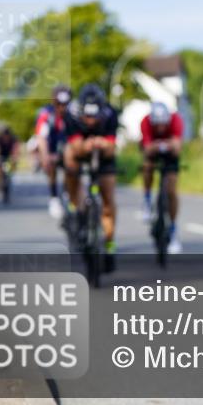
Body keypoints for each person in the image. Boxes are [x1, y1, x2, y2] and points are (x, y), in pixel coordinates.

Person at [63, 84, 119, 272]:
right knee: (69, 159)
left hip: (103, 155)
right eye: (87, 116)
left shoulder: (110, 113)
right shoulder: (71, 114)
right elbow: (76, 146)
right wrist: (86, 145)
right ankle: (75, 209)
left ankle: (110, 245)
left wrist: (102, 144)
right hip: (80, 151)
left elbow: (111, 148)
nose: (91, 121)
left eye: (95, 116)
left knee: (108, 199)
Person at [140, 101, 185, 254]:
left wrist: (163, 145)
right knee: (147, 166)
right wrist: (164, 144)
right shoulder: (145, 122)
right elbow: (147, 149)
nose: (160, 128)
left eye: (163, 124)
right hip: (153, 153)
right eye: (157, 125)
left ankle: (173, 229)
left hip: (170, 156)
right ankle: (147, 199)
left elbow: (177, 148)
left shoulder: (176, 120)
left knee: (171, 190)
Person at [37, 84, 72, 219]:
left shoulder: (73, 113)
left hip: (67, 148)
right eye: (59, 104)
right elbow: (41, 137)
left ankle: (68, 193)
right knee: (51, 166)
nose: (62, 108)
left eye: (65, 104)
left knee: (72, 167)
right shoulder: (47, 114)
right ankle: (54, 198)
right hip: (51, 148)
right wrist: (45, 156)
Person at [0, 123, 20, 199]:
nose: (6, 137)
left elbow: (16, 148)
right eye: (4, 135)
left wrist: (14, 157)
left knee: (10, 168)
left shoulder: (13, 139)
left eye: (7, 135)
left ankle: (9, 179)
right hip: (0, 156)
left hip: (8, 156)